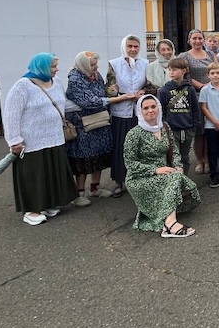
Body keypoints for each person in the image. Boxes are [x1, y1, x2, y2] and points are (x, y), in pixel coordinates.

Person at [4, 53, 78, 226]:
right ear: (41, 67)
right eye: (53, 66)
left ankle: (49, 203)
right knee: (34, 175)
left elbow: (63, 103)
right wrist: (14, 140)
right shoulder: (22, 86)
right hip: (32, 141)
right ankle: (32, 210)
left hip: (55, 138)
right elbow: (11, 115)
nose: (56, 69)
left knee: (51, 172)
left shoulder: (56, 82)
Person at [123, 94, 200, 237]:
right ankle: (170, 225)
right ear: (140, 111)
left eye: (153, 107)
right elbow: (130, 163)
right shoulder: (134, 134)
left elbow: (174, 151)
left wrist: (178, 166)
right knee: (174, 178)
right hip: (140, 177)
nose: (150, 110)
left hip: (167, 171)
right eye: (146, 108)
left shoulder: (164, 127)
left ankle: (167, 215)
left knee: (183, 182)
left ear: (158, 108)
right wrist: (155, 170)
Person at [65, 51, 118, 206]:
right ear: (83, 65)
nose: (96, 67)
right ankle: (79, 193)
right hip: (82, 124)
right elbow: (89, 101)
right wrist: (114, 99)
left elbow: (100, 92)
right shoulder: (75, 78)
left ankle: (95, 188)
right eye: (92, 64)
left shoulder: (96, 75)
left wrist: (110, 91)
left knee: (98, 155)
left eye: (96, 64)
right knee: (82, 158)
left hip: (99, 121)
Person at [105, 35, 148, 196]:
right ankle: (119, 181)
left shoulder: (145, 63)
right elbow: (109, 88)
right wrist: (121, 95)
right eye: (130, 46)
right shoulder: (114, 64)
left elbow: (150, 84)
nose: (133, 49)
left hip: (140, 111)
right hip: (121, 112)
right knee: (121, 146)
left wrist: (143, 91)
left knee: (140, 147)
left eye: (136, 46)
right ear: (124, 47)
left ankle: (140, 179)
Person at [180, 30, 217, 176]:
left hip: (212, 94)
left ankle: (208, 160)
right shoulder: (184, 56)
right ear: (189, 40)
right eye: (194, 38)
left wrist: (211, 86)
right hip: (195, 95)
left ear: (203, 40)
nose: (197, 41)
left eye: (200, 38)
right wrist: (202, 86)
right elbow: (186, 77)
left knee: (210, 130)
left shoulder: (210, 55)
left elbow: (217, 70)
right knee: (199, 131)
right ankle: (199, 161)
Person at [158, 57, 202, 176]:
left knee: (185, 156)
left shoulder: (190, 89)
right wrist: (163, 127)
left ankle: (184, 179)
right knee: (173, 156)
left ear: (184, 71)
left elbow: (195, 109)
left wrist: (194, 126)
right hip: (172, 129)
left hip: (187, 128)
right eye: (170, 70)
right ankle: (174, 181)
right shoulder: (164, 90)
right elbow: (161, 111)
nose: (171, 72)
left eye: (175, 70)